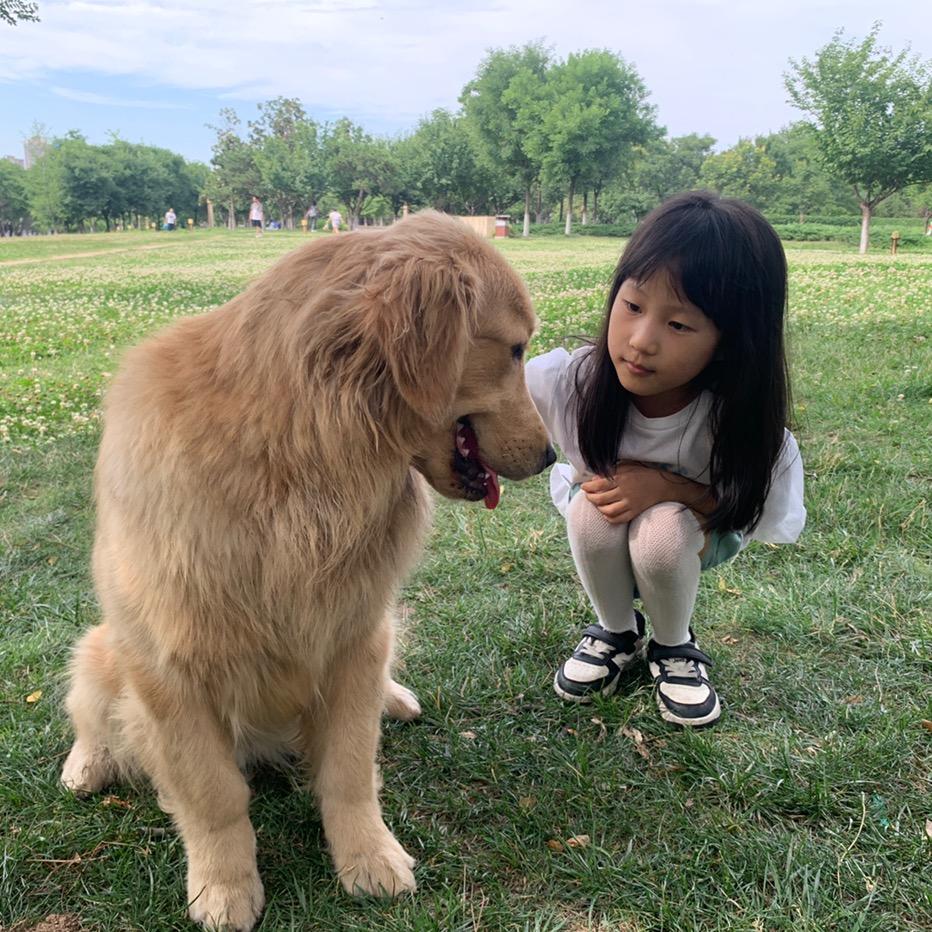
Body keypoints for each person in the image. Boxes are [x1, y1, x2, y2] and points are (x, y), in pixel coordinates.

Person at [526, 191, 805, 727]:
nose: (640, 340)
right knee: (590, 507)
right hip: (601, 531)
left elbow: (749, 511)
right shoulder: (573, 381)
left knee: (659, 528)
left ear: (730, 342)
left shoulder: (737, 421)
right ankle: (615, 630)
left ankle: (675, 646)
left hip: (695, 535)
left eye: (678, 325)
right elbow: (490, 393)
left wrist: (669, 489)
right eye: (632, 306)